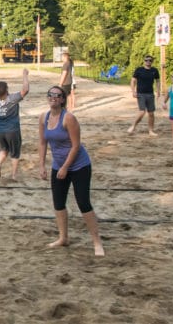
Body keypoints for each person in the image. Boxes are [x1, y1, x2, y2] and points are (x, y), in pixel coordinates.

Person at [37, 86, 104, 256]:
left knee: (83, 202)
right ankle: (63, 238)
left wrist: (66, 167)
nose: (53, 98)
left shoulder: (68, 118)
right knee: (58, 202)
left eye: (57, 96)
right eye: (50, 94)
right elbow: (43, 142)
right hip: (58, 165)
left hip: (79, 165)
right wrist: (42, 165)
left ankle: (97, 242)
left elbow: (76, 146)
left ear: (62, 100)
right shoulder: (43, 117)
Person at [0, 69, 30, 181]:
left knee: (4, 149)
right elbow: (25, 90)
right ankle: (14, 175)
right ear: (6, 90)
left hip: (0, 131)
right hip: (12, 131)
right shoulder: (12, 99)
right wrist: (24, 75)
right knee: (15, 153)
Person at [127, 55, 161, 136]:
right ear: (144, 61)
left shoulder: (154, 70)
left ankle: (151, 130)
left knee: (151, 113)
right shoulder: (139, 70)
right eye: (146, 60)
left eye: (150, 60)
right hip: (141, 94)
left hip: (150, 94)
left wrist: (158, 90)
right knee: (142, 111)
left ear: (152, 61)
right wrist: (133, 91)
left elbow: (158, 81)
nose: (148, 62)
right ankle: (133, 126)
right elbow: (133, 80)